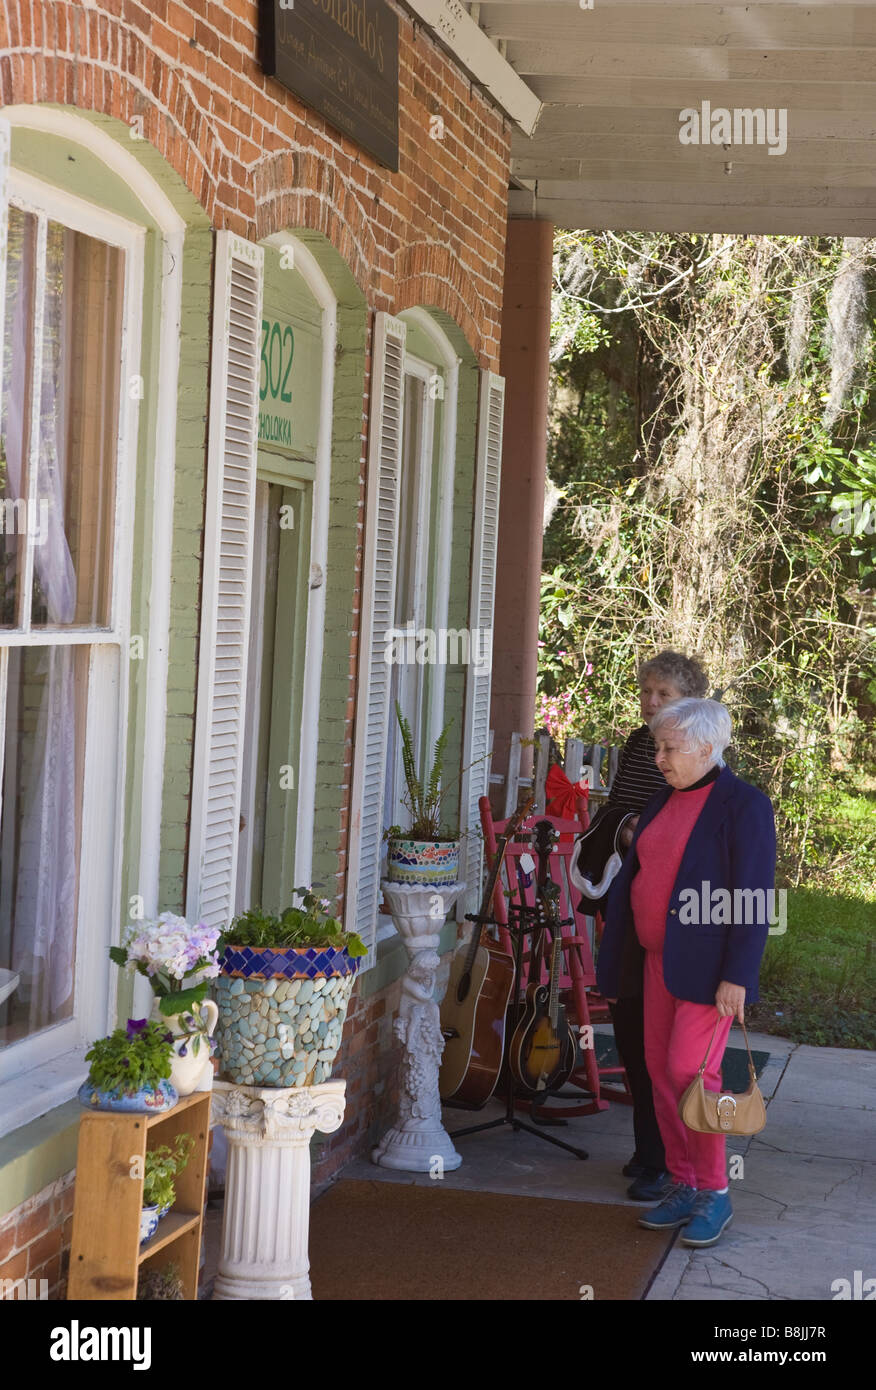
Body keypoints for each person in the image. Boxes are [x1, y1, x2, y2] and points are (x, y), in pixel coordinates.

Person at [598, 697, 776, 1247]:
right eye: (658, 746)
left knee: (692, 1074)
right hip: (655, 962)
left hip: (708, 973)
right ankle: (682, 1181)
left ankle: (715, 1193)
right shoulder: (663, 799)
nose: (658, 757)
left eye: (669, 748)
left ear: (706, 747)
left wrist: (738, 976)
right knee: (659, 1072)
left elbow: (752, 897)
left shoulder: (742, 805)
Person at [576, 651, 709, 1202]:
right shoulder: (636, 745)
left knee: (678, 1050)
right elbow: (611, 813)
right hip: (627, 908)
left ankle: (682, 1165)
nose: (651, 703)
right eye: (646, 692)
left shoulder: (705, 755)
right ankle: (649, 1152)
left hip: (684, 923)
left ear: (694, 702)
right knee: (632, 1028)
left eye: (665, 695)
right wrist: (625, 826)